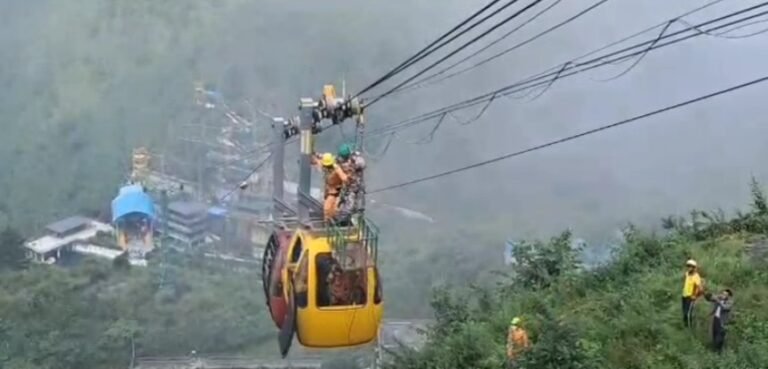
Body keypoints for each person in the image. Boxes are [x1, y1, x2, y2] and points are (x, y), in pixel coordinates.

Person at [312, 152, 349, 222]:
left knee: (331, 209)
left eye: (328, 165)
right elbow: (317, 162)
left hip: (336, 191)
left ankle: (331, 222)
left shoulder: (337, 169)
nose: (326, 167)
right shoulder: (324, 165)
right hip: (329, 189)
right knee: (327, 209)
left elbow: (344, 178)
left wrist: (349, 179)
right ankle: (328, 221)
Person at [336, 143, 366, 214]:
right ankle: (344, 219)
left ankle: (356, 217)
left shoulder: (356, 160)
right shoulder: (343, 163)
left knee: (359, 207)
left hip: (358, 187)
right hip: (350, 188)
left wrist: (353, 161)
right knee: (348, 206)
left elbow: (363, 164)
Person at [704, 289, 733, 353]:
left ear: (728, 296)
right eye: (723, 293)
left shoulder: (730, 302)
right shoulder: (720, 298)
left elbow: (726, 308)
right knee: (714, 335)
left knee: (719, 338)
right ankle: (715, 351)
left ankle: (718, 352)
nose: (723, 295)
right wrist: (709, 295)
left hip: (722, 322)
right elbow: (711, 298)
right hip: (716, 320)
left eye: (725, 294)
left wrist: (718, 301)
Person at [682, 259, 703, 328]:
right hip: (684, 295)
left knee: (688, 314)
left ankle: (689, 328)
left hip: (690, 297)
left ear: (694, 268)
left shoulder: (696, 276)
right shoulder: (687, 274)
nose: (688, 268)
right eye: (688, 266)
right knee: (684, 312)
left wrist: (695, 296)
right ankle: (685, 327)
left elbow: (700, 289)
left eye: (690, 266)